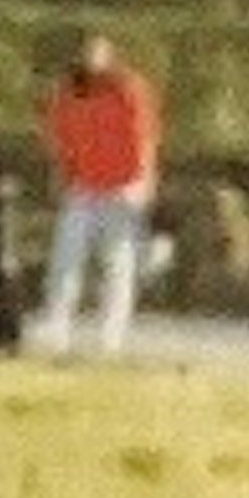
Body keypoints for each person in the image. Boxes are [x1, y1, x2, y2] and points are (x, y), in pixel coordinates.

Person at [37, 33, 165, 351]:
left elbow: (145, 136)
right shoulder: (68, 91)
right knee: (66, 259)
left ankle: (111, 336)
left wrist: (146, 179)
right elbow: (59, 138)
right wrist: (61, 176)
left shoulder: (128, 87)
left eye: (99, 53)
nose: (93, 59)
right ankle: (57, 326)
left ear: (111, 56)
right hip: (83, 189)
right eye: (88, 53)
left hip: (123, 189)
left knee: (118, 263)